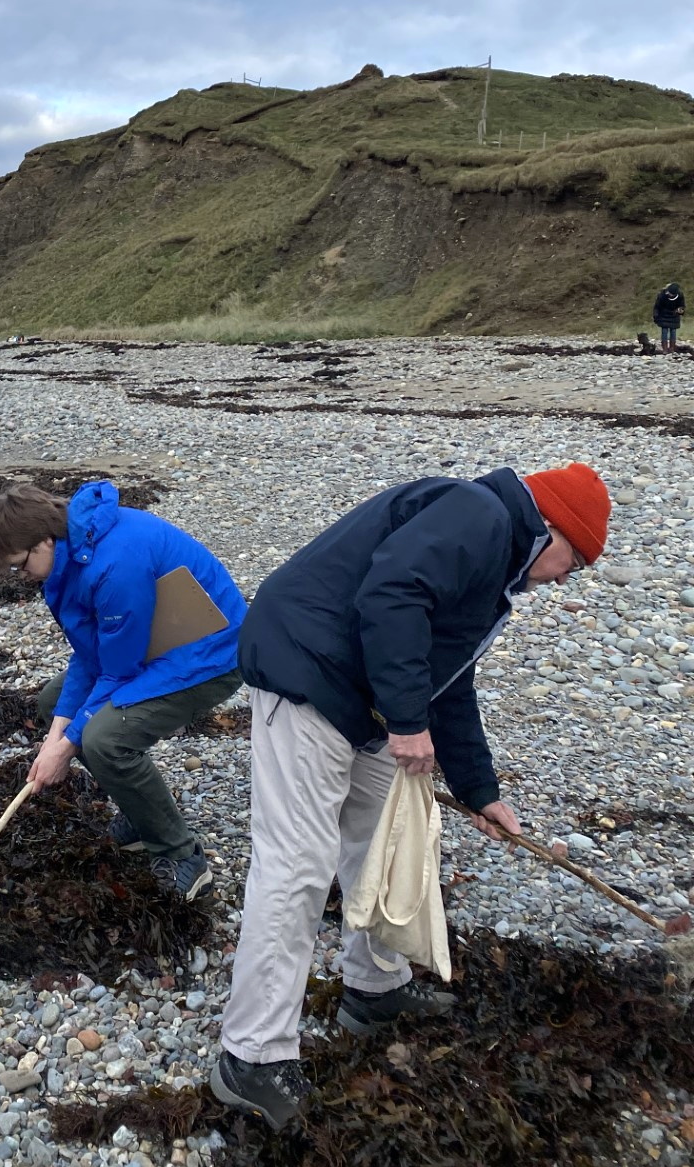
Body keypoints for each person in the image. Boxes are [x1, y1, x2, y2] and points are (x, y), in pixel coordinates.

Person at [211, 460, 611, 1132]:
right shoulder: (479, 514)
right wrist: (406, 723)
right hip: (304, 670)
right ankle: (250, 1057)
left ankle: (375, 990)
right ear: (550, 529)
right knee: (297, 864)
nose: (570, 577)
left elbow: (447, 678)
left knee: (390, 835)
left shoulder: (495, 559)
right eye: (578, 559)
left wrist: (481, 791)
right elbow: (390, 595)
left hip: (357, 697)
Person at [0, 480, 247, 901]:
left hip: (208, 655)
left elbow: (117, 672)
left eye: (19, 565)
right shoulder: (68, 557)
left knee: (105, 742)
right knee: (51, 703)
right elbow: (90, 654)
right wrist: (56, 734)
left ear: (45, 538)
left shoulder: (114, 563)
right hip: (151, 646)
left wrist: (64, 748)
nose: (21, 577)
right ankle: (142, 818)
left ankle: (181, 855)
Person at [653, 282, 685, 353]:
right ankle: (664, 349)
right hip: (663, 315)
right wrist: (656, 315)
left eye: (670, 293)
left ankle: (672, 348)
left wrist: (680, 310)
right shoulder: (662, 295)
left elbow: (682, 306)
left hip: (674, 315)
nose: (668, 294)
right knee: (664, 331)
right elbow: (657, 306)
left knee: (673, 331)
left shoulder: (680, 295)